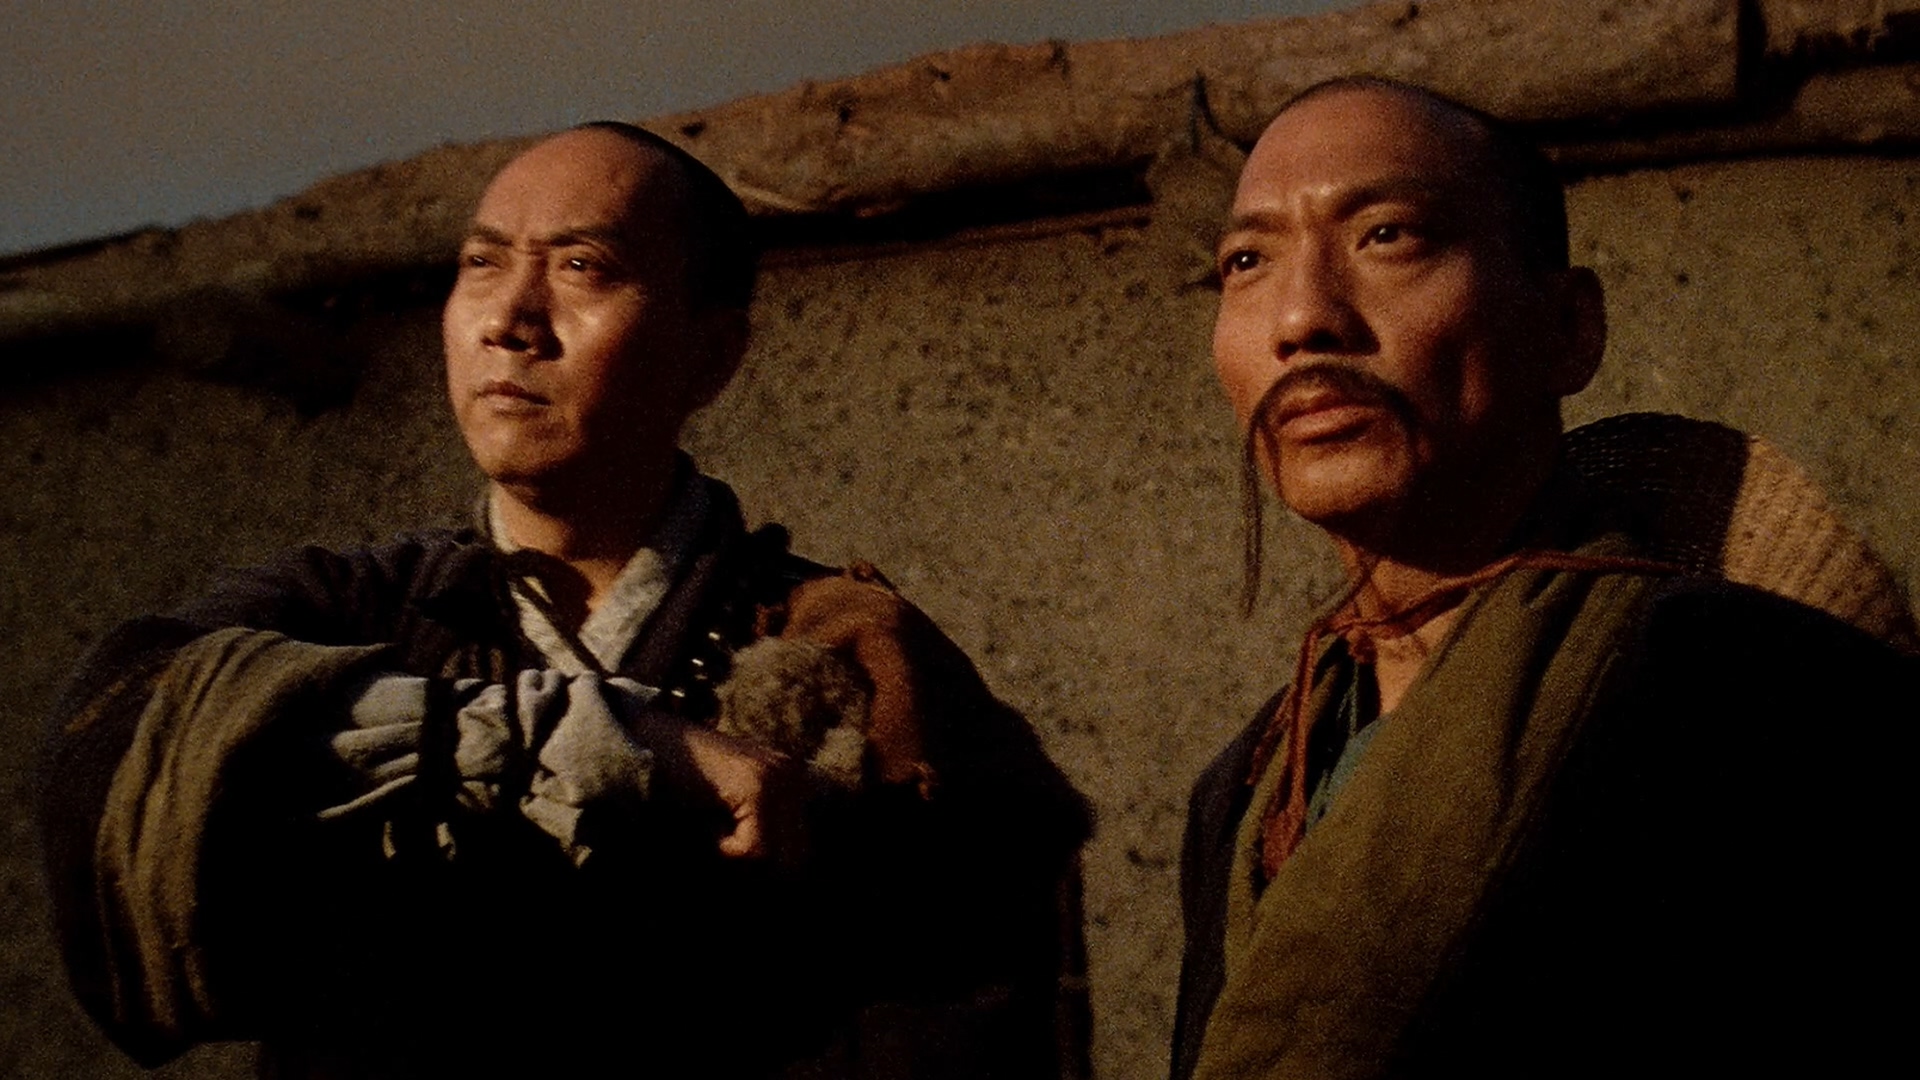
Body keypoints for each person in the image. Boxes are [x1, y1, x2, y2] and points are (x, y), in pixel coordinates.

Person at [41, 122, 1088, 1079]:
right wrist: (593, 743)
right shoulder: (349, 610)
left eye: (584, 267)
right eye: (482, 264)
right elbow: (119, 744)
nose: (510, 320)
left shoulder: (843, 654)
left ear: (712, 354)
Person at [1170, 78, 1915, 1079]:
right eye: (1247, 261)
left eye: (1388, 236)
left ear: (1567, 328)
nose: (1302, 317)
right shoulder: (1251, 786)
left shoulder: (1751, 695)